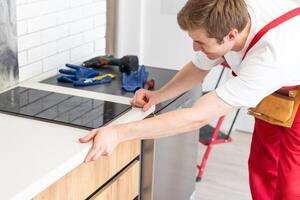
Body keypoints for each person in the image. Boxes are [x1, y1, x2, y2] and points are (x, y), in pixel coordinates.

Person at [79, 0, 300, 199]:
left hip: (293, 85)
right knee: (262, 166)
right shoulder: (229, 13)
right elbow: (198, 66)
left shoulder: (269, 58)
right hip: (276, 94)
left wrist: (119, 133)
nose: (195, 48)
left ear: (231, 35)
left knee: (292, 184)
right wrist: (158, 95)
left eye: (201, 43)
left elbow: (196, 117)